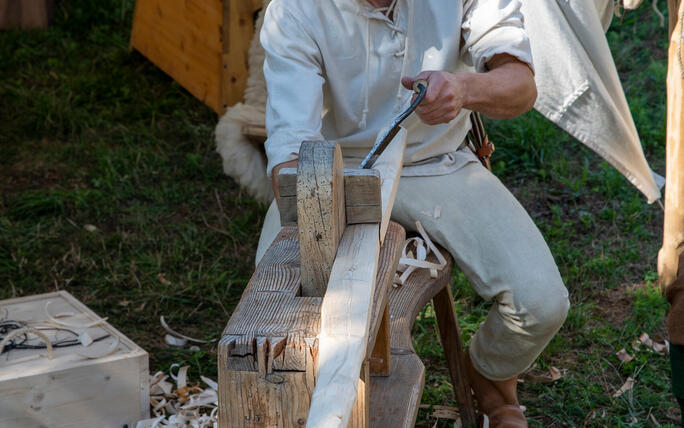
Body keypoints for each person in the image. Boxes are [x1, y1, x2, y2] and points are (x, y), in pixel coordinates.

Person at [257, 0, 570, 426]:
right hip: (332, 173)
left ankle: (492, 382)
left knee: (541, 303)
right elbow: (291, 161)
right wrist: (312, 210)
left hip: (435, 161)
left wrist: (463, 90)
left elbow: (520, 87)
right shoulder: (295, 10)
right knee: (275, 314)